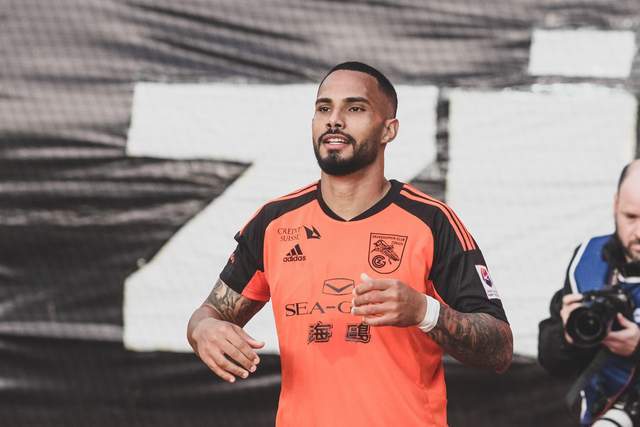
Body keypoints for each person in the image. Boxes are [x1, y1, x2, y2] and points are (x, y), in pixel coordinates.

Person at [187, 61, 513, 427]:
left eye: (355, 108)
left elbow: (499, 348)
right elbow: (209, 314)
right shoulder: (274, 222)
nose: (334, 120)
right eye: (324, 108)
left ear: (389, 129)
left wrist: (424, 312)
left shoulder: (432, 222)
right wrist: (203, 331)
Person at [539, 160, 640, 426]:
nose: (639, 232)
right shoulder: (590, 261)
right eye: (631, 217)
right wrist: (567, 336)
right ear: (615, 205)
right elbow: (551, 360)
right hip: (601, 415)